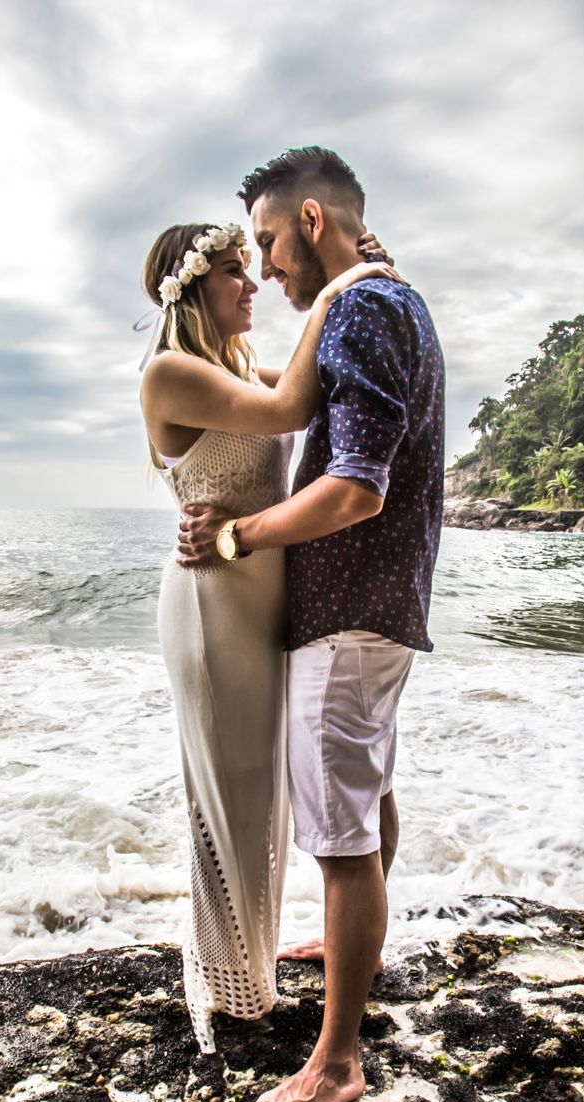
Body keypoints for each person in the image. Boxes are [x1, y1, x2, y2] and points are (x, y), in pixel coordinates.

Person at [177, 147, 446, 1102]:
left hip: (348, 602)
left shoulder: (368, 308)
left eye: (267, 241)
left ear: (314, 224)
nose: (267, 266)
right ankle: (349, 960)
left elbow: (358, 484)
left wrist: (239, 534)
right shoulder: (387, 299)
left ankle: (335, 1060)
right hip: (377, 601)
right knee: (363, 804)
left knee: (338, 833)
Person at [139, 220, 396, 1056]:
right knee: (230, 798)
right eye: (233, 273)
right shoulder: (171, 373)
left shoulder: (239, 366)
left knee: (268, 799)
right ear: (188, 290)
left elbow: (304, 391)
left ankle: (250, 974)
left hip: (259, 595)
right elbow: (293, 406)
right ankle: (233, 991)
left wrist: (362, 277)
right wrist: (339, 285)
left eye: (255, 270)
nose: (254, 286)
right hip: (213, 604)